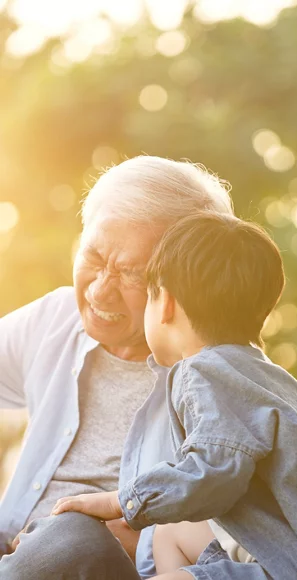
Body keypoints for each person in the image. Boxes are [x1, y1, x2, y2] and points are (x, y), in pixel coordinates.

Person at [52, 211, 297, 580]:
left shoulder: (201, 371)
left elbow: (213, 474)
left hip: (293, 569)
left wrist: (120, 501)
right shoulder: (270, 376)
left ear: (164, 302)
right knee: (168, 532)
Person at [0, 156, 234, 579]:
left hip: (93, 561)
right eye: (93, 256)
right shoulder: (54, 319)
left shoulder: (220, 383)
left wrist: (142, 538)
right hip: (15, 548)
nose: (99, 291)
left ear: (184, 284)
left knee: (74, 536)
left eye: (130, 274)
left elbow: (224, 544)